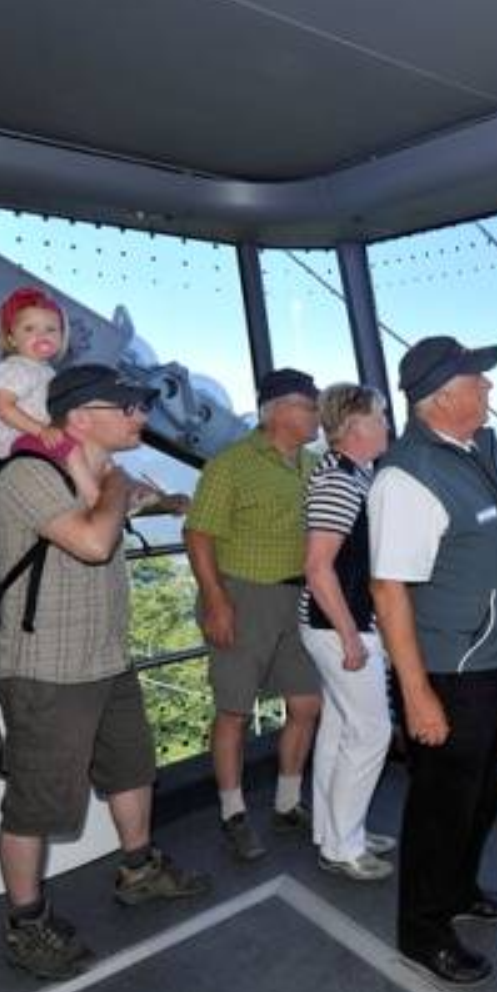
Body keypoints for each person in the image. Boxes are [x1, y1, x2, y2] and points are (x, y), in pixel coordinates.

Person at [0, 364, 211, 980]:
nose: (141, 416)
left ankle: (139, 869)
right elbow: (92, 541)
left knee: (131, 768)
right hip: (45, 669)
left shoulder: (95, 473)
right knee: (36, 802)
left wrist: (164, 498)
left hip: (105, 659)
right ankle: (26, 923)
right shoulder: (28, 473)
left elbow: (139, 502)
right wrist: (112, 485)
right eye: (129, 407)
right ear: (81, 418)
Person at [368, 336, 497, 983]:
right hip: (450, 672)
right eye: (477, 381)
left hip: (496, 660)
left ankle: (459, 890)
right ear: (443, 397)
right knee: (440, 807)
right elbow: (387, 590)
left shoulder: (478, 448)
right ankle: (422, 929)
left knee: (480, 795)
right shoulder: (407, 477)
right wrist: (417, 695)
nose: (489, 389)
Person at [185, 367, 325, 862]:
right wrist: (218, 601)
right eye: (310, 406)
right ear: (279, 411)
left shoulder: (313, 464)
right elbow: (198, 534)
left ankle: (288, 803)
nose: (317, 415)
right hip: (243, 597)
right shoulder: (232, 464)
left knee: (307, 704)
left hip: (299, 598)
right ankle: (233, 814)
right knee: (235, 711)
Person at [299, 384, 396, 881]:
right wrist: (352, 637)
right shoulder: (340, 482)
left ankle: (334, 829)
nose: (386, 425)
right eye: (379, 417)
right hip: (341, 626)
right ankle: (343, 846)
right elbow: (319, 568)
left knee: (340, 730)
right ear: (355, 427)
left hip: (333, 625)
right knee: (371, 731)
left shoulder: (352, 475)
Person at [0, 286, 98, 503]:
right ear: (11, 338)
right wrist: (41, 430)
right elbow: (2, 407)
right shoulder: (17, 368)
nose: (42, 335)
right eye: (29, 329)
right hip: (15, 441)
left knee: (83, 446)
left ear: (61, 336)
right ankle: (94, 500)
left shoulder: (44, 371)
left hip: (32, 439)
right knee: (70, 448)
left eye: (51, 329)